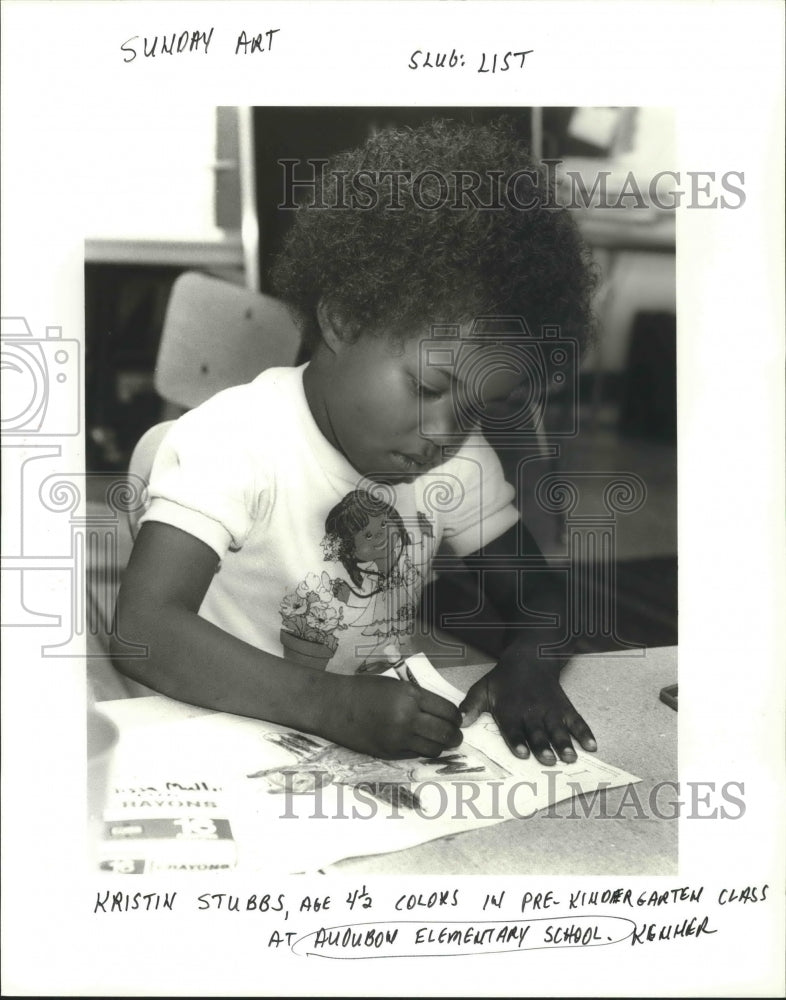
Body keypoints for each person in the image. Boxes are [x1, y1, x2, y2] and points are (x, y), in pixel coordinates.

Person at [111, 118, 599, 765]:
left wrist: (531, 665)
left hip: (364, 741)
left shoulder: (457, 459)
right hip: (212, 728)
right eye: (429, 386)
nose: (445, 433)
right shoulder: (234, 441)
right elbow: (145, 631)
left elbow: (541, 597)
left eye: (475, 406)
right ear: (342, 319)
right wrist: (332, 704)